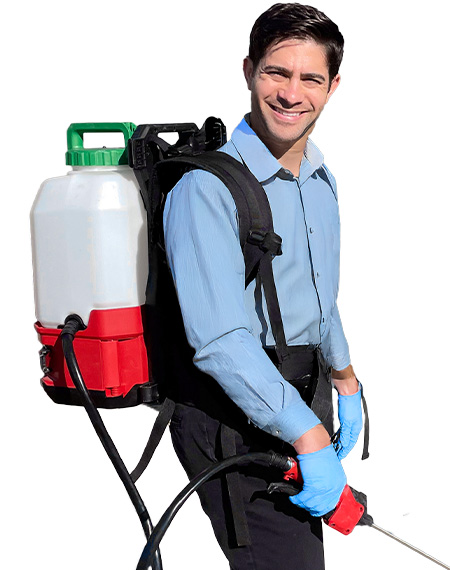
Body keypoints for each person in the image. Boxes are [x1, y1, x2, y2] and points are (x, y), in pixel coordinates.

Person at [162, 3, 364, 569]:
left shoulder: (318, 177)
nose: (291, 94)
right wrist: (308, 437)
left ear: (333, 87)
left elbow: (318, 291)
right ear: (249, 70)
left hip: (300, 398)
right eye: (277, 72)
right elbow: (220, 340)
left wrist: (345, 379)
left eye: (311, 79)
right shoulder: (206, 189)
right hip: (232, 413)